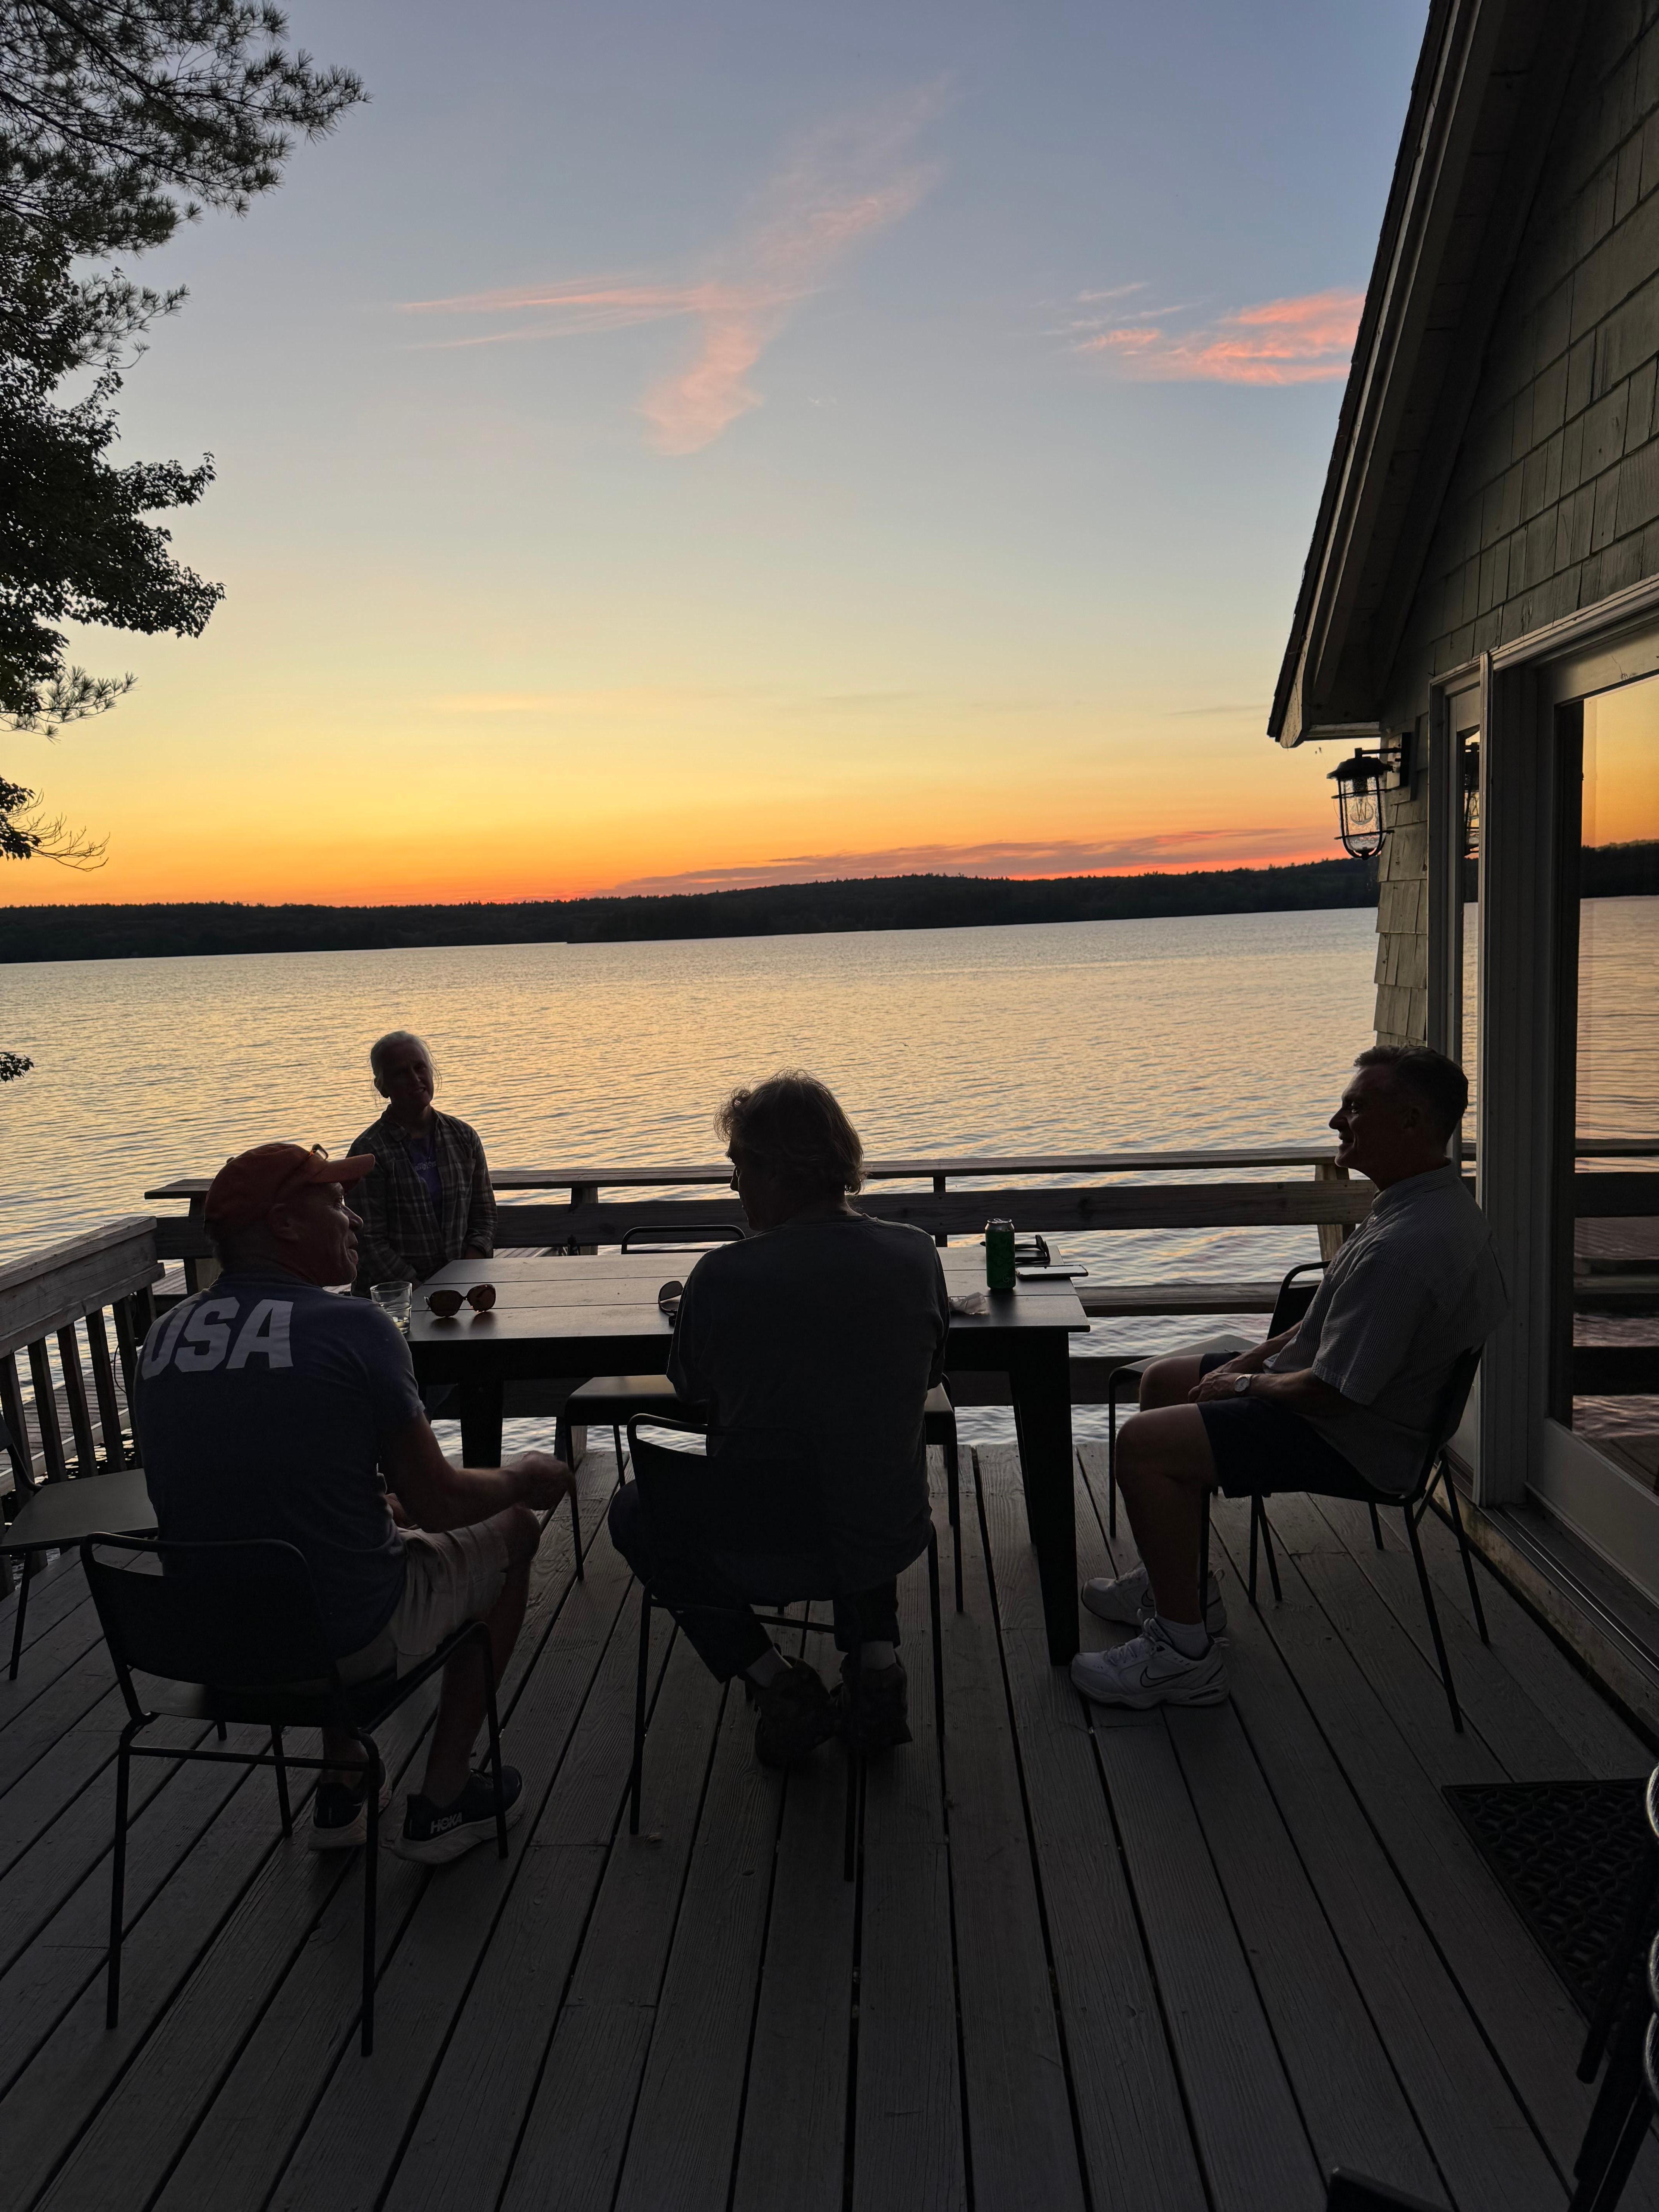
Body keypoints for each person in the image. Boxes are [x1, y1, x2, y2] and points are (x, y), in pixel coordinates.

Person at [134, 1141, 574, 1859]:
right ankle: (443, 1796)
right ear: (284, 1223)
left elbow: (262, 1490)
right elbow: (438, 1500)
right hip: (340, 1642)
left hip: (209, 1644)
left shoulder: (162, 1337)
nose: (355, 1221)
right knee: (514, 1532)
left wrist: (380, 1507)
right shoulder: (353, 1328)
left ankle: (341, 1788)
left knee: (357, 1537)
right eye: (335, 1203)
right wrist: (522, 1479)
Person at [1072, 1044, 1508, 1712]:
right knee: (1162, 1380)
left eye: (1355, 1107)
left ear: (1413, 1120)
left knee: (1143, 1445)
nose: (1337, 1120)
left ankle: (1182, 1657)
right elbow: (1319, 1328)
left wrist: (1240, 1388)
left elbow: (1333, 1393)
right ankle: (1180, 1590)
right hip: (1333, 1398)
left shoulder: (1405, 1250)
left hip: (1355, 1438)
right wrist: (1245, 1363)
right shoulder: (1418, 1203)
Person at [607, 1072, 950, 1766]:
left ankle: (775, 1683)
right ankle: (876, 1666)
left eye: (738, 1168)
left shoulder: (721, 1276)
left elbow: (690, 1387)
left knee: (636, 1511)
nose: (734, 1187)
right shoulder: (916, 1254)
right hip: (885, 1525)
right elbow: (931, 1373)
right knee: (854, 1447)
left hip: (756, 1542)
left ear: (777, 1168)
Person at [349, 1030, 495, 1291]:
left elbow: (484, 1216)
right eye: (400, 1073)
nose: (415, 1079)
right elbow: (370, 1242)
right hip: (394, 1299)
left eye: (419, 1067)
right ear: (382, 1087)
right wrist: (424, 1292)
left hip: (460, 1287)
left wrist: (464, 1279)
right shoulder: (368, 1152)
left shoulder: (463, 1137)